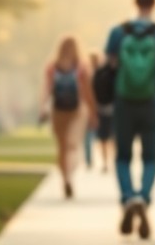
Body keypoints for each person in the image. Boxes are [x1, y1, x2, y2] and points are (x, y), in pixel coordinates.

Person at [105, 0, 155, 240]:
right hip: (152, 102)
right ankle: (143, 198)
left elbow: (108, 68)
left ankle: (128, 197)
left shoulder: (118, 33)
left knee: (122, 157)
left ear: (135, 0)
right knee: (150, 158)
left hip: (124, 102)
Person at [43, 36, 97, 200]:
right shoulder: (81, 67)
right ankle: (70, 176)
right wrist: (93, 112)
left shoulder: (52, 67)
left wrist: (43, 107)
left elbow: (46, 89)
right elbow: (88, 92)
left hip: (58, 111)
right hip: (77, 110)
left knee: (62, 147)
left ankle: (65, 178)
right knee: (73, 146)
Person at [86, 52, 113, 174]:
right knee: (108, 138)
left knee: (104, 139)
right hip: (109, 109)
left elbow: (91, 94)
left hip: (101, 109)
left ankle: (106, 162)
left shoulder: (95, 74)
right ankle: (108, 161)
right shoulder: (110, 72)